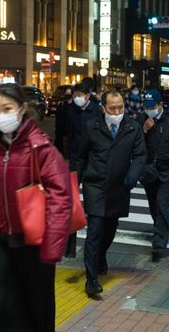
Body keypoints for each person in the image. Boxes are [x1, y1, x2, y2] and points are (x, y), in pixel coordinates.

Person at [0, 83, 72, 332]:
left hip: (32, 242)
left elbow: (60, 199)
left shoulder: (42, 148)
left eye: (7, 108)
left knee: (35, 312)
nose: (1, 115)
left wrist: (52, 247)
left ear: (22, 108)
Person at [75, 90, 146, 297]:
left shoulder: (133, 127)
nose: (117, 111)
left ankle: (101, 257)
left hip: (119, 186)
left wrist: (133, 175)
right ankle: (91, 280)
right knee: (95, 230)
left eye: (120, 107)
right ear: (103, 108)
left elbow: (140, 155)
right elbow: (79, 157)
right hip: (94, 185)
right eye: (112, 108)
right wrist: (74, 184)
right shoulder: (91, 127)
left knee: (110, 229)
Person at [139, 89, 169, 261]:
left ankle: (159, 243)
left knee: (161, 204)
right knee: (154, 206)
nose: (149, 109)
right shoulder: (141, 120)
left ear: (160, 105)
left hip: (168, 170)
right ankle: (159, 229)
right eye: (146, 106)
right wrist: (144, 130)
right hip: (148, 171)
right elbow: (133, 144)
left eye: (152, 106)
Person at [67, 83, 101, 258]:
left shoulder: (96, 110)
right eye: (75, 95)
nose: (77, 98)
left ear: (88, 95)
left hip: (91, 159)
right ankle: (69, 246)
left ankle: (93, 229)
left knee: (90, 196)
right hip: (75, 158)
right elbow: (69, 133)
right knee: (71, 199)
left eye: (80, 94)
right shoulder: (72, 110)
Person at [54, 86, 74, 158]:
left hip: (71, 131)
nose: (68, 94)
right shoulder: (62, 104)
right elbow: (58, 117)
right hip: (62, 130)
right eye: (66, 93)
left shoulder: (75, 106)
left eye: (69, 93)